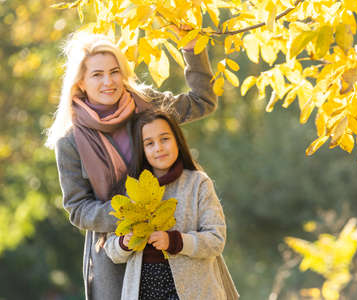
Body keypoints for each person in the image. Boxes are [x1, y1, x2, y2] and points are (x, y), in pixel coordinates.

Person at [49, 29, 218, 300]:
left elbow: (203, 101)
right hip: (116, 254)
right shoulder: (70, 141)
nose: (109, 81)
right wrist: (132, 215)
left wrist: (192, 48)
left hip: (175, 241)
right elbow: (78, 209)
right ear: (80, 82)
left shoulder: (146, 104)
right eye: (97, 74)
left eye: (114, 71)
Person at [104, 111, 239, 300]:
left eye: (165, 139)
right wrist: (124, 243)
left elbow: (216, 239)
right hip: (143, 292)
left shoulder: (198, 183)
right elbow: (110, 249)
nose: (158, 148)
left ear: (177, 140)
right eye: (149, 143)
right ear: (141, 149)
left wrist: (175, 241)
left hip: (195, 291)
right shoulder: (131, 189)